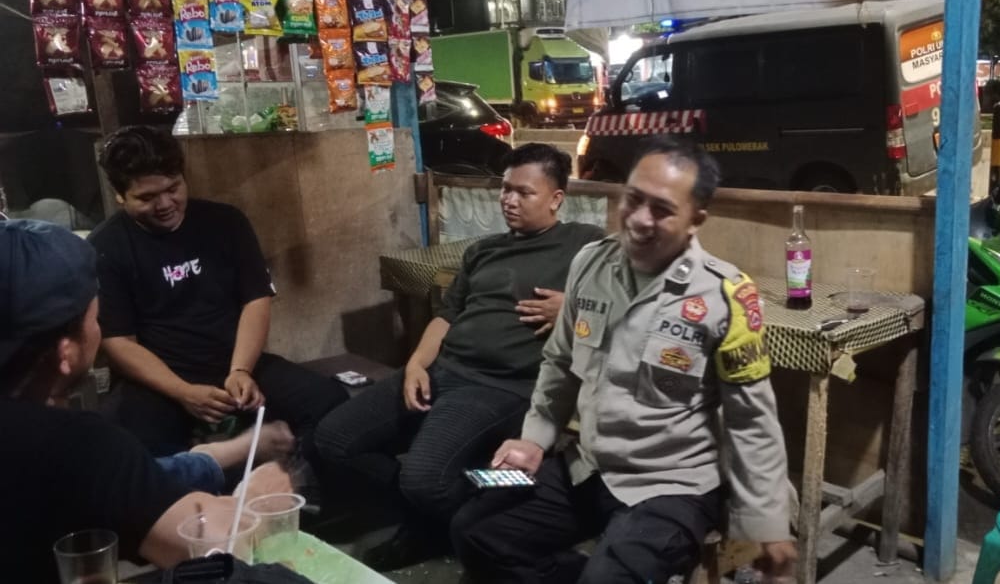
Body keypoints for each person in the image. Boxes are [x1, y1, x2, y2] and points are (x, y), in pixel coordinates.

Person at [450, 135, 797, 583]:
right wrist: (534, 439)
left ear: (696, 219)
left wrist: (767, 525)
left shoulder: (725, 297)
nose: (639, 218)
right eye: (633, 199)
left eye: (662, 209)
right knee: (474, 531)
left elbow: (751, 420)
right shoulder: (590, 265)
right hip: (588, 465)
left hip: (671, 485)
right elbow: (559, 362)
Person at [314, 143, 606, 569]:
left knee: (423, 478)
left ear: (556, 198)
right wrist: (416, 364)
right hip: (444, 368)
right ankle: (434, 512)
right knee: (333, 440)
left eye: (524, 192)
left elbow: (629, 302)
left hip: (502, 386)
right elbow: (447, 315)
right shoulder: (483, 250)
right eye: (505, 189)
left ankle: (443, 522)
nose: (508, 200)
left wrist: (574, 307)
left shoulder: (586, 244)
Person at [0, 219, 291, 584]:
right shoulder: (75, 443)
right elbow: (212, 546)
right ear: (65, 351)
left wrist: (233, 450)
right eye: (95, 318)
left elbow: (126, 483)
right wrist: (253, 504)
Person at [89, 125, 347, 459]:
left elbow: (256, 299)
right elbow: (119, 342)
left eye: (173, 188)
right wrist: (183, 392)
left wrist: (241, 370)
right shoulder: (105, 247)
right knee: (127, 446)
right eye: (147, 198)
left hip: (235, 363)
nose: (165, 204)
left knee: (330, 405)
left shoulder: (226, 222)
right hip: (161, 380)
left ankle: (289, 481)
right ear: (120, 195)